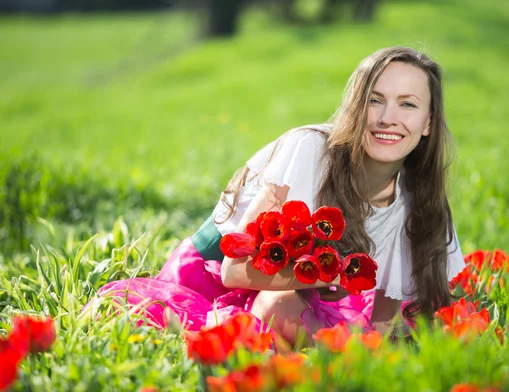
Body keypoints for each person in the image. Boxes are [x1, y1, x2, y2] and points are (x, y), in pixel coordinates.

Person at [93, 46, 466, 347]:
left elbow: (386, 313)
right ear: (355, 106)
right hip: (211, 277)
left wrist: (371, 346)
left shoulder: (419, 201)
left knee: (339, 328)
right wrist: (327, 277)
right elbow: (234, 270)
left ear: (428, 123)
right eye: (374, 100)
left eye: (408, 104)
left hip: (298, 290)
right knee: (279, 310)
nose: (388, 118)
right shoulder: (310, 152)